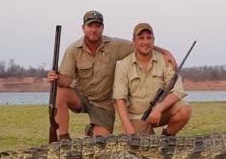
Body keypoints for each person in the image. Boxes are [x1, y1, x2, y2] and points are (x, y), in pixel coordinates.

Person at [47, 11, 176, 141]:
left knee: (102, 142)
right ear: (83, 28)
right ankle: (63, 138)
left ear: (102, 28)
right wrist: (56, 78)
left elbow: (140, 45)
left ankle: (92, 131)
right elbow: (66, 81)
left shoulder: (114, 45)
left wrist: (165, 52)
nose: (94, 30)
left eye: (97, 26)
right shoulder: (73, 49)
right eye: (90, 26)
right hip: (80, 96)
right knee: (59, 92)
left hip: (103, 104)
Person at [113, 22, 191, 136]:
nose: (145, 42)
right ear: (134, 41)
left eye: (149, 38)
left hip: (160, 112)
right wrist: (128, 127)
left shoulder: (165, 61)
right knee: (131, 146)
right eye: (141, 38)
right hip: (137, 117)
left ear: (153, 40)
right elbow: (119, 99)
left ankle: (167, 139)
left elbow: (178, 91)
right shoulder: (123, 65)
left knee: (185, 110)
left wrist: (159, 108)